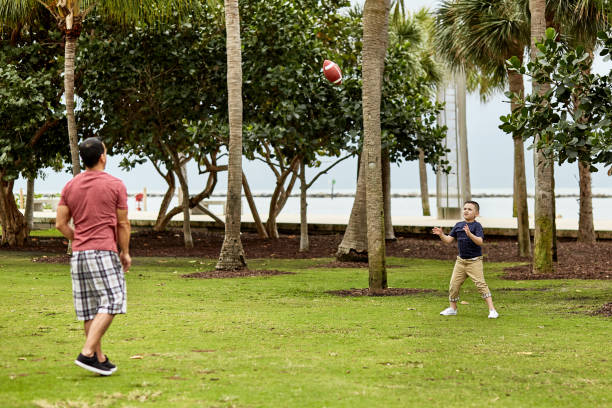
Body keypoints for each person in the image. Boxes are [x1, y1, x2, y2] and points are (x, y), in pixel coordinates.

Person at [56, 137, 131, 375]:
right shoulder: (115, 184)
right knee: (113, 300)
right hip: (103, 252)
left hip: (79, 255)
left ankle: (99, 358)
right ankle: (87, 353)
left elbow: (60, 224)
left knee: (90, 309)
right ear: (102, 156)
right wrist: (125, 252)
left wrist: (78, 239)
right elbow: (123, 223)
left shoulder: (70, 185)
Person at [432, 201, 498, 319]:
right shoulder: (458, 225)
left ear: (476, 213)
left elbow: (480, 241)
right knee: (453, 285)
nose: (466, 211)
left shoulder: (477, 226)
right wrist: (441, 234)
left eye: (470, 209)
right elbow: (448, 240)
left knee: (481, 285)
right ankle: (453, 308)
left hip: (474, 261)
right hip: (461, 262)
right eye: (465, 208)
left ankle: (492, 310)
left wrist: (469, 234)